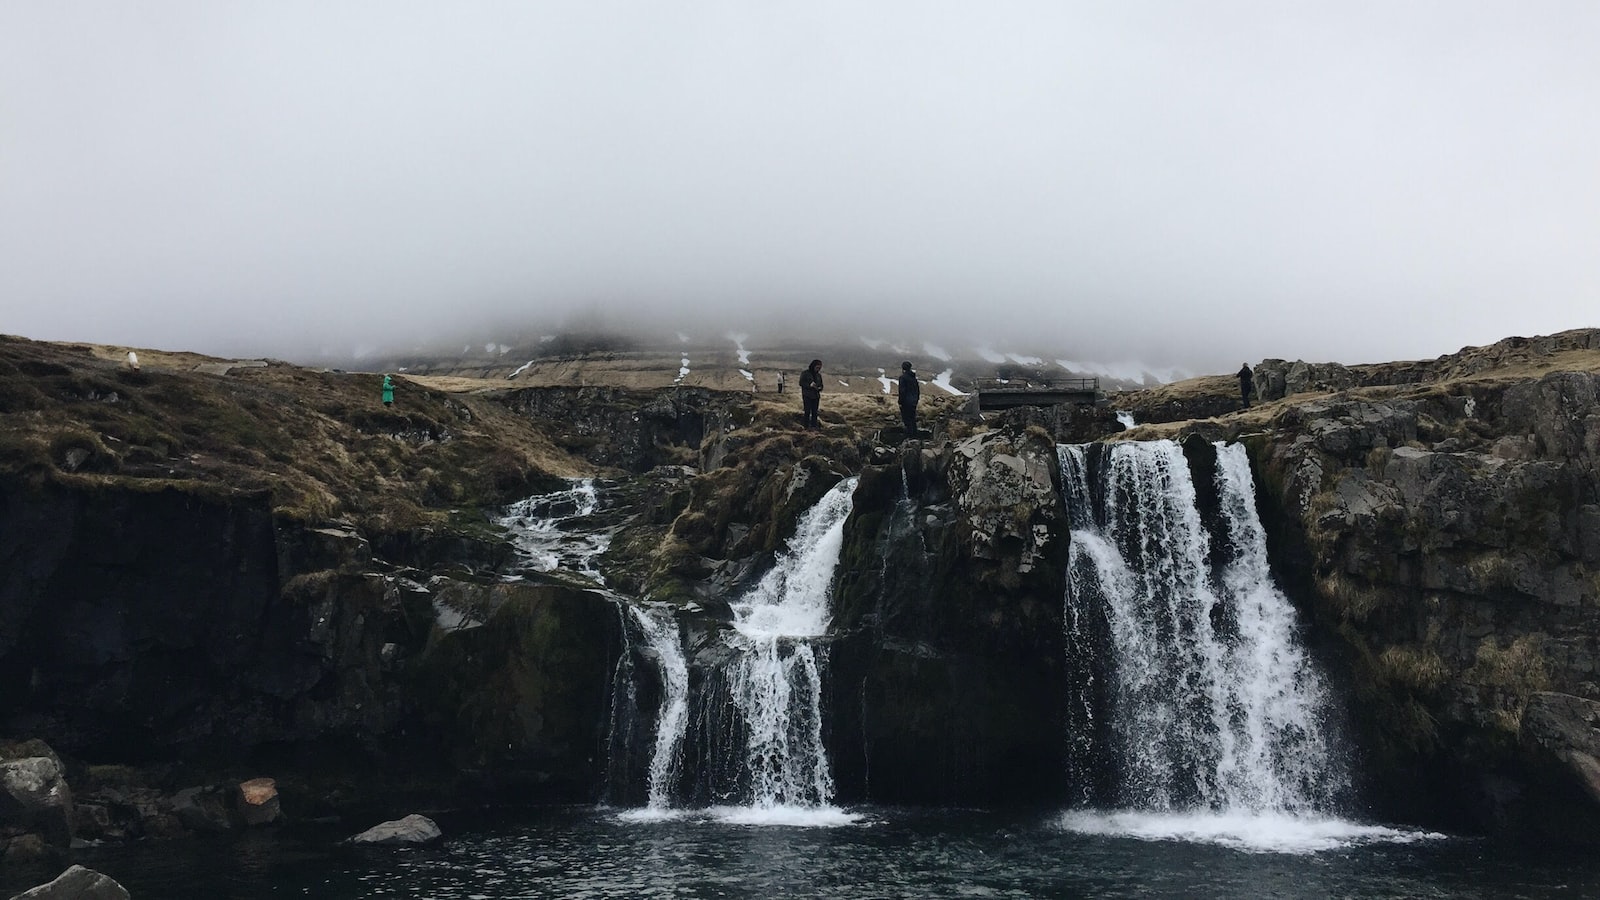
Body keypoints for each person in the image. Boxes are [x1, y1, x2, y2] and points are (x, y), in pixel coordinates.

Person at [897, 360, 921, 436]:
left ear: (903, 368)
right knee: (912, 418)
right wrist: (916, 400)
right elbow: (917, 390)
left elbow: (902, 391)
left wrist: (900, 402)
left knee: (906, 419)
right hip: (913, 401)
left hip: (906, 402)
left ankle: (909, 437)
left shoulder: (903, 378)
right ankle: (915, 434)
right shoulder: (914, 378)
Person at [799, 359, 823, 429]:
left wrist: (819, 388)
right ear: (813, 366)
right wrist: (810, 385)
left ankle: (814, 426)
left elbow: (821, 385)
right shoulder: (805, 373)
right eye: (817, 368)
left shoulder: (819, 375)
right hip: (807, 395)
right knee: (807, 411)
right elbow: (801, 383)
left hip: (816, 396)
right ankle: (806, 427)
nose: (818, 369)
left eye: (820, 368)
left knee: (815, 412)